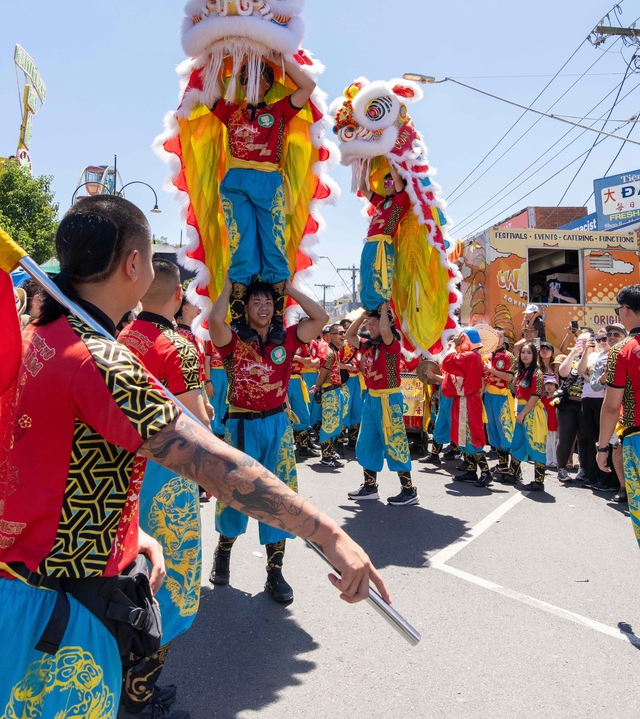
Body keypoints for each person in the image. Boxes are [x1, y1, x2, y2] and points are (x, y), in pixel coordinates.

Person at [0, 196, 389, 719]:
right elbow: (216, 465)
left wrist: (129, 532)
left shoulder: (34, 336)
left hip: (25, 591)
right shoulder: (100, 358)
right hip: (58, 618)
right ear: (134, 265)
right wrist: (330, 534)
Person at [117, 258, 205, 718]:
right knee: (169, 587)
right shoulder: (179, 347)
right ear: (176, 296)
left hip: (122, 475)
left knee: (126, 578)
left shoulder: (118, 339)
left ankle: (122, 681)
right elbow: (198, 422)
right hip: (167, 478)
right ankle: (140, 695)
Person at [207, 275, 328, 603]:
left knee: (279, 497)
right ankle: (223, 552)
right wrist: (228, 288)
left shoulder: (287, 338)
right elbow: (215, 321)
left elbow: (320, 317)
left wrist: (288, 289)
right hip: (241, 426)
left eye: (268, 302)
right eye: (256, 302)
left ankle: (275, 571)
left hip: (277, 425)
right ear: (245, 308)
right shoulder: (232, 340)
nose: (263, 307)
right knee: (233, 494)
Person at [210, 60, 315, 345]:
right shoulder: (230, 110)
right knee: (242, 248)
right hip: (236, 183)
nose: (250, 82)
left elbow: (308, 86)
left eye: (257, 77)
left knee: (273, 248)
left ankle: (277, 319)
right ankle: (238, 319)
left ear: (268, 84)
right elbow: (204, 89)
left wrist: (282, 57)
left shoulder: (279, 110)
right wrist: (219, 51)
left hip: (269, 182)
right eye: (245, 78)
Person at [345, 307, 419, 505]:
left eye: (373, 323)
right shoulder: (367, 345)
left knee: (395, 443)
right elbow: (349, 335)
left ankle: (409, 490)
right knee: (367, 442)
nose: (369, 327)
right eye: (368, 324)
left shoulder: (391, 345)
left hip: (389, 399)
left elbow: (386, 331)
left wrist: (384, 308)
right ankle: (370, 487)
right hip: (371, 398)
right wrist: (362, 316)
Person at [597, 285, 640, 546]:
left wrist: (603, 447)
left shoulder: (621, 350)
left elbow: (612, 405)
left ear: (625, 310)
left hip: (636, 437)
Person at [442, 328, 493, 488]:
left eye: (461, 340)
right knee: (463, 436)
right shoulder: (472, 356)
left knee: (470, 437)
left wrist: (453, 345)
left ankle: (486, 472)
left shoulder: (471, 356)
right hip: (465, 400)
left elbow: (447, 362)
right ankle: (471, 470)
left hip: (468, 402)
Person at [358, 165, 411, 312]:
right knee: (366, 279)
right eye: (384, 183)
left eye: (389, 182)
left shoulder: (401, 201)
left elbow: (396, 178)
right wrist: (364, 168)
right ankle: (370, 313)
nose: (385, 185)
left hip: (383, 245)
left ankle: (382, 313)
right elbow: (362, 188)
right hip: (369, 244)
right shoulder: (381, 202)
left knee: (379, 282)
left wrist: (390, 157)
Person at [495, 344, 547, 492]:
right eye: (523, 352)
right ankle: (512, 474)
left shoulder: (537, 374)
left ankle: (539, 481)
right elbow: (517, 395)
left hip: (532, 413)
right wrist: (516, 411)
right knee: (517, 442)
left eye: (529, 352)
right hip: (520, 412)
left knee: (535, 444)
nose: (525, 355)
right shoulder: (521, 373)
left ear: (534, 355)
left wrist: (523, 413)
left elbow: (535, 397)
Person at [589, 323, 627, 499]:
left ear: (625, 337)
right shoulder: (602, 359)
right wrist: (604, 379)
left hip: (631, 410)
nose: (611, 337)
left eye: (616, 334)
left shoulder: (631, 354)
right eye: (608, 334)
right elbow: (595, 385)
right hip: (611, 411)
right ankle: (623, 488)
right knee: (616, 448)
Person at [312, 323, 351, 468]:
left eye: (344, 333)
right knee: (329, 425)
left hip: (335, 391)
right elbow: (323, 373)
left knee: (335, 423)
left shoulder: (335, 351)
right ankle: (326, 457)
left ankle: (330, 453)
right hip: (330, 392)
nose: (343, 336)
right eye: (340, 333)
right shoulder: (329, 353)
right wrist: (317, 387)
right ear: (330, 336)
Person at [556, 335, 592, 484]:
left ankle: (583, 468)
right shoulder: (573, 357)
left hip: (585, 404)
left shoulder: (594, 358)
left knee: (584, 437)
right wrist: (573, 353)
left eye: (586, 342)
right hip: (568, 403)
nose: (583, 344)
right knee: (566, 436)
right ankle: (561, 468)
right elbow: (563, 373)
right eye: (580, 341)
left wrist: (588, 352)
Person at [482, 328, 515, 473]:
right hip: (489, 396)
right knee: (493, 431)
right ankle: (502, 464)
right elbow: (483, 379)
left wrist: (491, 370)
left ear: (504, 339)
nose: (497, 339)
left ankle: (515, 468)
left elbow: (509, 377)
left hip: (502, 397)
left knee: (506, 430)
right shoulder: (487, 356)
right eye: (494, 336)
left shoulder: (508, 356)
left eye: (500, 337)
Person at [541, 375, 559, 469]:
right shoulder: (543, 399)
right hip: (546, 425)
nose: (548, 386)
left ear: (555, 386)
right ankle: (548, 460)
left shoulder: (557, 399)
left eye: (551, 384)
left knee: (555, 443)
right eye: (547, 384)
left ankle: (556, 461)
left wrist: (559, 424)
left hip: (555, 424)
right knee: (548, 444)